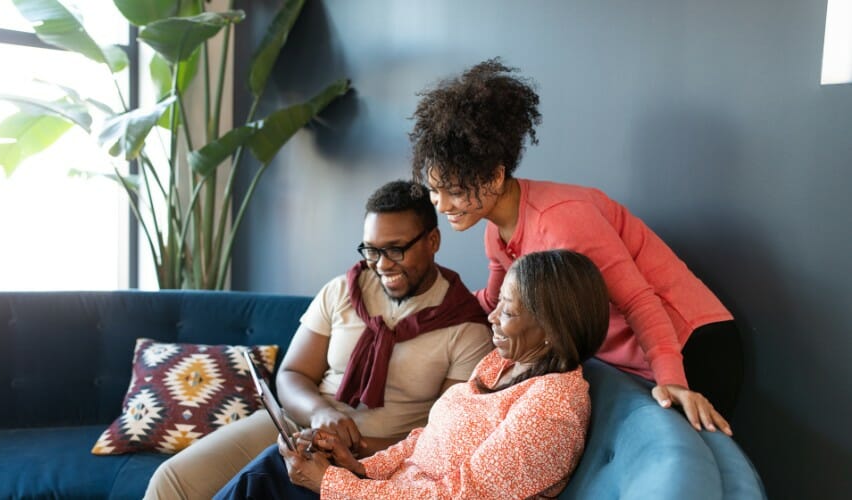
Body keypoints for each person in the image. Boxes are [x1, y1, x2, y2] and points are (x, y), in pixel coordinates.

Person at [409, 58, 743, 434]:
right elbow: (491, 301)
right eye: (434, 191)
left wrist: (673, 380)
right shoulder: (496, 234)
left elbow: (638, 300)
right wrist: (423, 313)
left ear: (495, 175)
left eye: (453, 191)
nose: (440, 204)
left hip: (692, 345)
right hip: (638, 358)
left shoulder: (563, 222)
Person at [144, 180, 493, 499]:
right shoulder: (342, 290)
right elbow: (292, 374)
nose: (382, 264)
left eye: (395, 250)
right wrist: (321, 413)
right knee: (170, 482)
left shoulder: (467, 328)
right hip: (299, 426)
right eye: (371, 251)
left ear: (433, 241)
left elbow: (447, 435)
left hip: (380, 455)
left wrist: (355, 445)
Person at [214, 249, 610, 500]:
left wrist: (333, 485)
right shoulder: (504, 365)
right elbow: (428, 440)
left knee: (266, 481)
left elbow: (463, 496)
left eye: (506, 311)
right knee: (272, 467)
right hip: (396, 490)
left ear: (551, 328)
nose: (491, 317)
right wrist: (358, 466)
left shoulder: (552, 407)